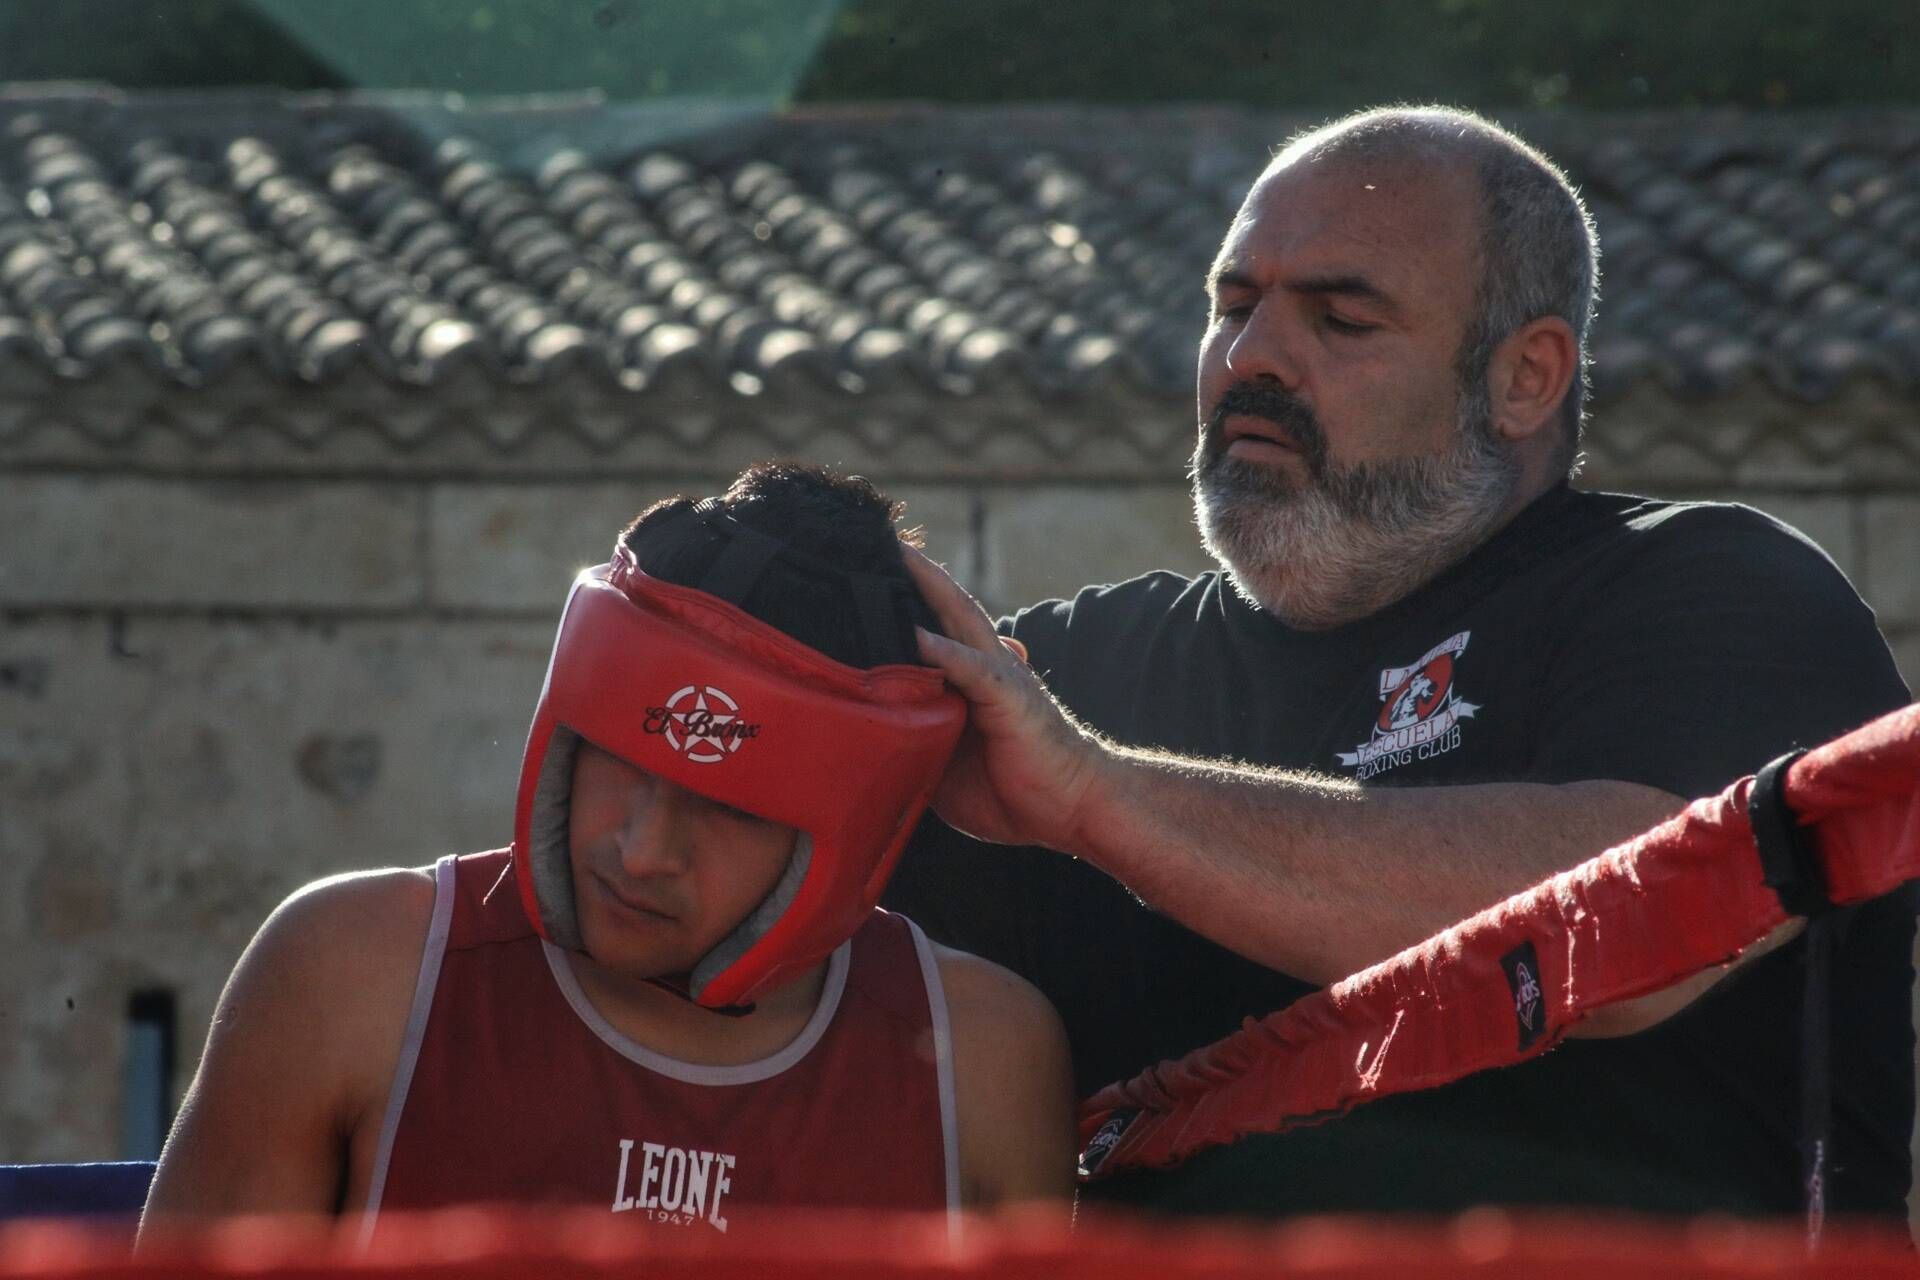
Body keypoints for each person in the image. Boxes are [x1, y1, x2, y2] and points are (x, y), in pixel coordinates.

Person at [885, 106, 1915, 1219]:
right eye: (1232, 305)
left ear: (1526, 376)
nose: (1250, 356)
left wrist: (1095, 795)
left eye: (1341, 317)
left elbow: (1633, 915)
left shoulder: (1719, 589)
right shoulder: (1083, 670)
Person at [141, 464, 1075, 1239]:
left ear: (855, 828)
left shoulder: (977, 1061)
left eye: (732, 809)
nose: (641, 850)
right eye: (621, 763)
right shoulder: (355, 975)